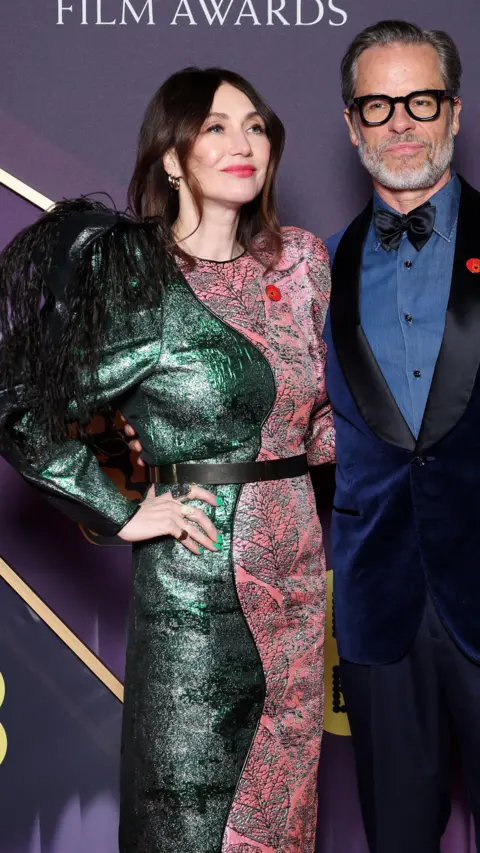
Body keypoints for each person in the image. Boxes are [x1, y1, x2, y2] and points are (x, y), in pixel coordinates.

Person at [0, 68, 335, 852]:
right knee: (189, 818)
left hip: (297, 589)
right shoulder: (139, 278)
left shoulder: (300, 263)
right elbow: (28, 406)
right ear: (172, 158)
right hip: (196, 603)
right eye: (214, 127)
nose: (242, 143)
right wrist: (125, 501)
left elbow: (316, 422)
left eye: (254, 125)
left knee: (287, 820)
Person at [323, 19, 480, 853]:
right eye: (377, 106)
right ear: (352, 124)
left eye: (421, 99)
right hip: (380, 607)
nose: (401, 123)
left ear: (454, 111)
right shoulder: (321, 265)